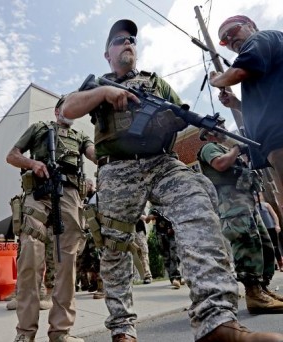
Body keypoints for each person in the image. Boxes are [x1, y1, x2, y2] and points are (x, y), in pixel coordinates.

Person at [61, 18, 283, 342]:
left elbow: (181, 115)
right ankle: (122, 330)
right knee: (115, 245)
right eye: (119, 40)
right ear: (107, 54)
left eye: (131, 40)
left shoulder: (156, 83)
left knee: (199, 201)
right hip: (118, 168)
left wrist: (174, 120)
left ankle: (216, 322)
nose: (127, 44)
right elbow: (68, 108)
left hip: (163, 162)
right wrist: (106, 92)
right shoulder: (97, 83)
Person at [6, 96, 96, 342]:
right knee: (30, 261)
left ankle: (61, 333)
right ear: (57, 111)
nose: (70, 111)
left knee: (66, 266)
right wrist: (32, 163)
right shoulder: (39, 128)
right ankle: (25, 333)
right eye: (66, 106)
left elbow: (94, 154)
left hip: (69, 197)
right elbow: (12, 155)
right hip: (39, 193)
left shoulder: (80, 137)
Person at [198, 125, 283, 314]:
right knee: (247, 244)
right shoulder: (209, 148)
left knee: (263, 245)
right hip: (232, 205)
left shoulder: (226, 148)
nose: (222, 130)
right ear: (209, 133)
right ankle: (253, 295)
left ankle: (262, 290)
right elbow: (220, 164)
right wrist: (237, 148)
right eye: (218, 128)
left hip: (246, 203)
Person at [209, 15, 283, 190]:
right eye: (223, 40)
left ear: (251, 25)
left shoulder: (259, 38)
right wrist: (235, 104)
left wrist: (217, 80)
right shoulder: (264, 60)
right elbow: (267, 107)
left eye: (232, 31)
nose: (229, 39)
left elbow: (238, 73)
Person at [145, 209, 182, 289]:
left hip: (172, 233)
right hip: (160, 235)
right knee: (166, 257)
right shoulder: (154, 208)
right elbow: (147, 220)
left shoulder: (170, 203)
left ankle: (176, 277)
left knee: (174, 255)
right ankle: (173, 278)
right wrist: (150, 217)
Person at [255, 192, 283, 271]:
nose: (256, 197)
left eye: (257, 195)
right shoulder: (252, 208)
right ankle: (272, 265)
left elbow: (274, 215)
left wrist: (277, 225)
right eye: (254, 196)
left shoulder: (266, 205)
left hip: (271, 227)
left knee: (275, 246)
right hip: (261, 230)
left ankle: (281, 264)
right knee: (265, 248)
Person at [134, 216, 152, 285]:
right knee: (131, 254)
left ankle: (147, 276)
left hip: (139, 231)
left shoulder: (138, 206)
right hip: (129, 231)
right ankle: (134, 277)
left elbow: (144, 217)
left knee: (143, 254)